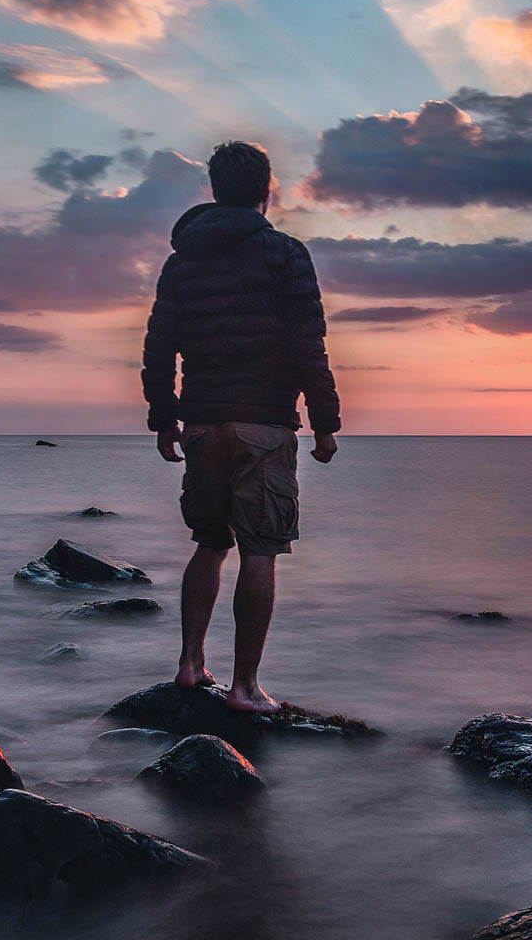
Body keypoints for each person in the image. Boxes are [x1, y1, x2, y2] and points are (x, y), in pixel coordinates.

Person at [141, 141, 340, 713]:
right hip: (263, 424)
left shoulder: (182, 261)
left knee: (209, 543)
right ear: (266, 191)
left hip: (202, 423)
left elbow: (159, 347)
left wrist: (164, 418)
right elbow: (307, 342)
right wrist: (325, 422)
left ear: (214, 189)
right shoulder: (286, 253)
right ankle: (245, 687)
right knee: (260, 549)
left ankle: (190, 665)